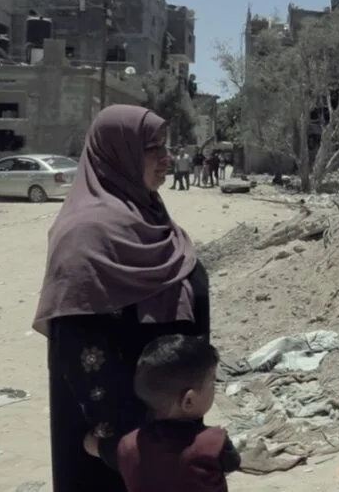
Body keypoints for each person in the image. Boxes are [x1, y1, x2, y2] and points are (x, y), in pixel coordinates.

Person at [34, 104, 210, 492]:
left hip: (169, 429)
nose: (167, 158)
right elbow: (81, 350)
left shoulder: (150, 217)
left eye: (166, 146)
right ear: (119, 154)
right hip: (117, 447)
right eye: (153, 148)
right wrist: (124, 446)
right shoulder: (84, 236)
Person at [85, 334, 240, 491]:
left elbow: (91, 445)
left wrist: (93, 440)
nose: (215, 389)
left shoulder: (127, 445)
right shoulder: (215, 442)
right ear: (189, 401)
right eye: (212, 384)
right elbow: (233, 462)